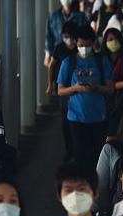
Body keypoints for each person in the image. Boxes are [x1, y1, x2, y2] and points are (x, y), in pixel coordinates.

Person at [57, 25, 114, 167]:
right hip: (76, 118)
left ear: (93, 43)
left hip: (98, 117)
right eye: (81, 45)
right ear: (76, 43)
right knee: (80, 155)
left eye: (87, 45)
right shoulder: (68, 62)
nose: (84, 48)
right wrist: (75, 88)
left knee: (97, 156)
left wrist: (96, 87)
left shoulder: (101, 61)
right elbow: (60, 90)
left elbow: (110, 89)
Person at [47, 21, 78, 162]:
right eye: (65, 36)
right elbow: (51, 66)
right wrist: (50, 84)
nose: (68, 39)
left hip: (78, 89)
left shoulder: (80, 48)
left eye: (70, 36)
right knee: (66, 122)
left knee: (77, 121)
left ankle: (77, 150)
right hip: (63, 88)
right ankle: (70, 151)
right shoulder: (59, 48)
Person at [44, 0, 87, 67]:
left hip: (76, 53)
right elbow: (49, 36)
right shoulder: (53, 17)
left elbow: (86, 35)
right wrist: (47, 54)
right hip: (58, 54)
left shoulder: (80, 17)